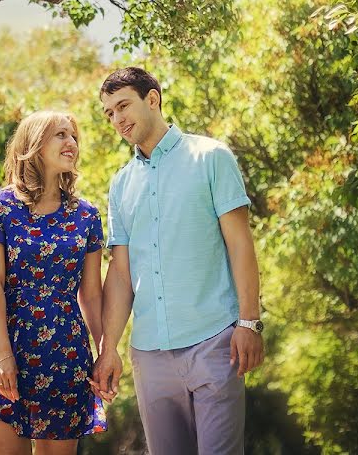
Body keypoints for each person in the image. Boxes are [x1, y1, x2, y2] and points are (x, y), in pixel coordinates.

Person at [91, 67, 264, 454]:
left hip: (215, 341)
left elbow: (240, 244)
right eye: (109, 113)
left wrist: (249, 321)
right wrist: (108, 348)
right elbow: (120, 273)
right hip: (150, 356)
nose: (117, 119)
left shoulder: (211, 157)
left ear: (152, 99)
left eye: (123, 106)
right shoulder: (120, 184)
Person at [0, 111, 107, 454]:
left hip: (65, 350)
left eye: (74, 137)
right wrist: (4, 357)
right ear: (34, 145)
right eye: (61, 135)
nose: (71, 143)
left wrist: (104, 353)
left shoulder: (86, 215)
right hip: (4, 345)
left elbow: (92, 294)